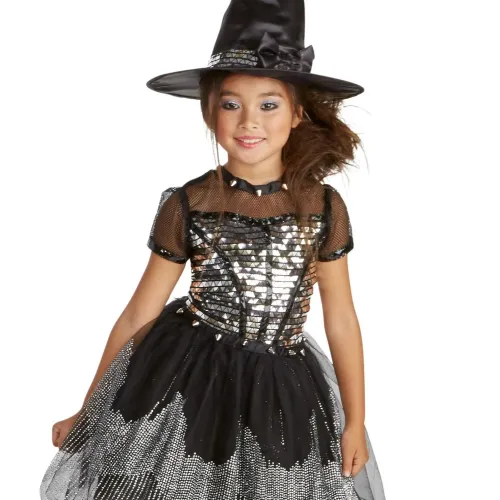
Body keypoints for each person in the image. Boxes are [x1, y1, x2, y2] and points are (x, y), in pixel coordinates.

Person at [40, 1, 386, 498]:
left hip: (282, 389)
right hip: (190, 379)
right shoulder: (190, 203)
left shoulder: (323, 206)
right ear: (210, 111)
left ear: (297, 113)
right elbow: (139, 313)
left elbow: (342, 319)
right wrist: (89, 408)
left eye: (268, 105)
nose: (249, 121)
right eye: (231, 105)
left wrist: (354, 420)